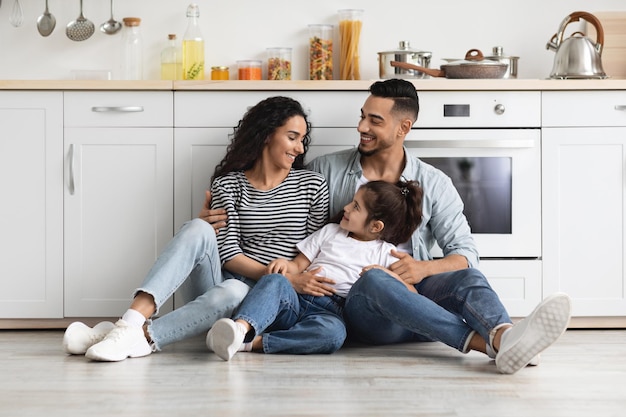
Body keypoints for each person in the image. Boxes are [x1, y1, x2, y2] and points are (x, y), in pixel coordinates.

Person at [204, 79, 572, 375]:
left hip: (418, 300)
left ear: (403, 127)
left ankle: (507, 339)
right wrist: (217, 218)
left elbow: (467, 254)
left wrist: (423, 268)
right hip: (359, 308)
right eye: (363, 116)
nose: (362, 127)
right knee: (376, 279)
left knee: (467, 277)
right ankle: (486, 345)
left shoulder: (435, 182)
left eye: (374, 121)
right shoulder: (324, 171)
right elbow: (280, 208)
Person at [62, 96, 330, 362]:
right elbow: (227, 253)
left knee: (235, 291)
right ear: (266, 135)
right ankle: (132, 320)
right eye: (292, 137)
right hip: (224, 286)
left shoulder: (313, 185)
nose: (299, 148)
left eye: (302, 140)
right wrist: (271, 274)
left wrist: (281, 281)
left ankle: (132, 335)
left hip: (269, 303)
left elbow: (316, 247)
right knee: (199, 228)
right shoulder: (228, 185)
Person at [205, 179, 424, 361]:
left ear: (376, 226)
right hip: (297, 298)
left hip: (331, 312)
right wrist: (285, 265)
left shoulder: (385, 252)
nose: (346, 208)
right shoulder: (331, 231)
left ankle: (249, 344)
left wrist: (388, 275)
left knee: (334, 335)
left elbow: (411, 295)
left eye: (356, 206)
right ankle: (240, 329)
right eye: (351, 202)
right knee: (275, 280)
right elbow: (298, 264)